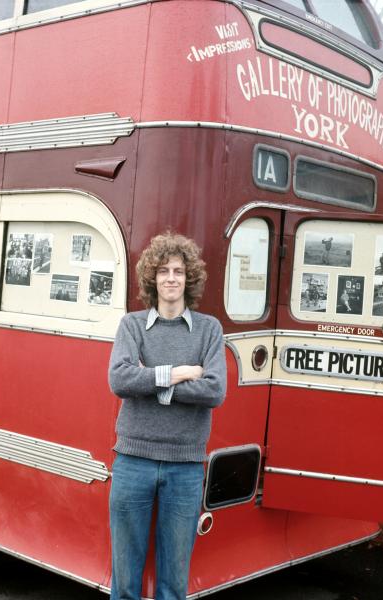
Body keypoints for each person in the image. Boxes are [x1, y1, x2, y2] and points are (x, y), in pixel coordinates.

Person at [108, 232, 226, 600]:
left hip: (186, 467)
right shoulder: (131, 325)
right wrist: (179, 373)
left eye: (178, 270)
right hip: (132, 461)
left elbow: (214, 391)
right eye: (163, 271)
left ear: (189, 278)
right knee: (125, 581)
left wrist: (153, 380)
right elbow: (120, 379)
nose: (171, 278)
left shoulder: (209, 330)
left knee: (173, 584)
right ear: (152, 279)